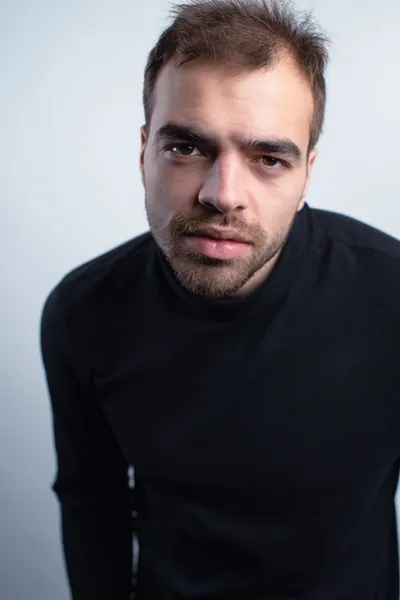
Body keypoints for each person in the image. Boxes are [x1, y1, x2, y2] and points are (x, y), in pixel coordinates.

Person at [40, 0, 400, 598]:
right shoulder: (83, 314)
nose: (223, 195)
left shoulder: (390, 297)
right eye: (186, 148)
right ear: (144, 153)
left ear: (307, 174)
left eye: (269, 159)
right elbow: (92, 505)